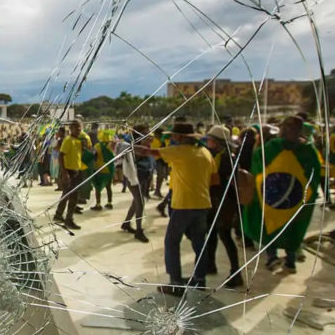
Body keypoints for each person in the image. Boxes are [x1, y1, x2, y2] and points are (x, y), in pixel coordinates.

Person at [137, 122, 217, 294]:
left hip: (183, 205)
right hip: (203, 204)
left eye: (174, 135)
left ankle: (176, 284)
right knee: (200, 244)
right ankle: (199, 280)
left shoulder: (179, 151)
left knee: (172, 242)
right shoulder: (205, 152)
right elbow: (215, 179)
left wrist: (126, 146)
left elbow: (147, 152)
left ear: (181, 137)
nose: (172, 138)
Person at [243, 115, 321, 275]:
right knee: (292, 227)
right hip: (295, 200)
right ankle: (290, 262)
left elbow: (257, 164)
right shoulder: (308, 151)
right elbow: (314, 174)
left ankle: (272, 258)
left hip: (272, 198)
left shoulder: (272, 146)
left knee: (269, 226)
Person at [203, 125, 243, 287]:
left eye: (210, 140)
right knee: (212, 233)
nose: (208, 142)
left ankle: (236, 272)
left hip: (224, 203)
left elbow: (219, 181)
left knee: (225, 236)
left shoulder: (225, 158)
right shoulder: (223, 155)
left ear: (217, 142)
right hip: (218, 201)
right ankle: (210, 264)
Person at [53, 120, 90, 230]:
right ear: (71, 129)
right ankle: (68, 220)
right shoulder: (68, 140)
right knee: (73, 197)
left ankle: (58, 215)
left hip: (76, 171)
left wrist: (84, 147)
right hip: (69, 171)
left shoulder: (78, 140)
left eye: (80, 129)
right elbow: (60, 156)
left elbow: (79, 154)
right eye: (77, 129)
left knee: (67, 195)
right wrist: (64, 173)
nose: (79, 131)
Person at [122, 125, 150, 243]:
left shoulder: (145, 143)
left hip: (143, 175)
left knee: (136, 202)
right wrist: (145, 144)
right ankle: (139, 231)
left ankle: (126, 223)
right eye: (144, 132)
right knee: (140, 202)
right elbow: (138, 155)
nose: (148, 134)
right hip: (133, 177)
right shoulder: (131, 144)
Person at [90, 131, 114, 211]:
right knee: (108, 187)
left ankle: (98, 204)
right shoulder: (112, 146)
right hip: (110, 168)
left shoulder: (97, 146)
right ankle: (109, 203)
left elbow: (94, 155)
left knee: (97, 187)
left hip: (100, 168)